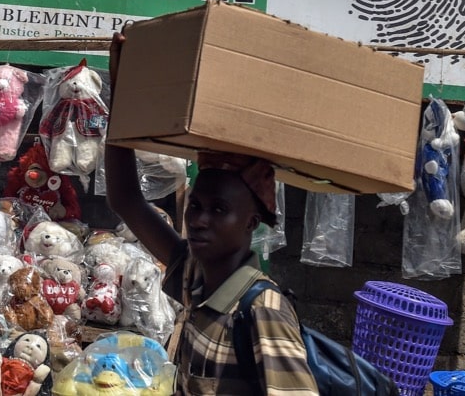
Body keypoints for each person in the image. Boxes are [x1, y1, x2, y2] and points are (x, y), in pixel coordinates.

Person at [104, 33, 318, 396]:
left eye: (219, 210)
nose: (199, 219)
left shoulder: (262, 310)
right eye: (197, 206)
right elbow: (126, 199)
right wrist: (122, 89)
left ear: (252, 222)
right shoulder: (196, 276)